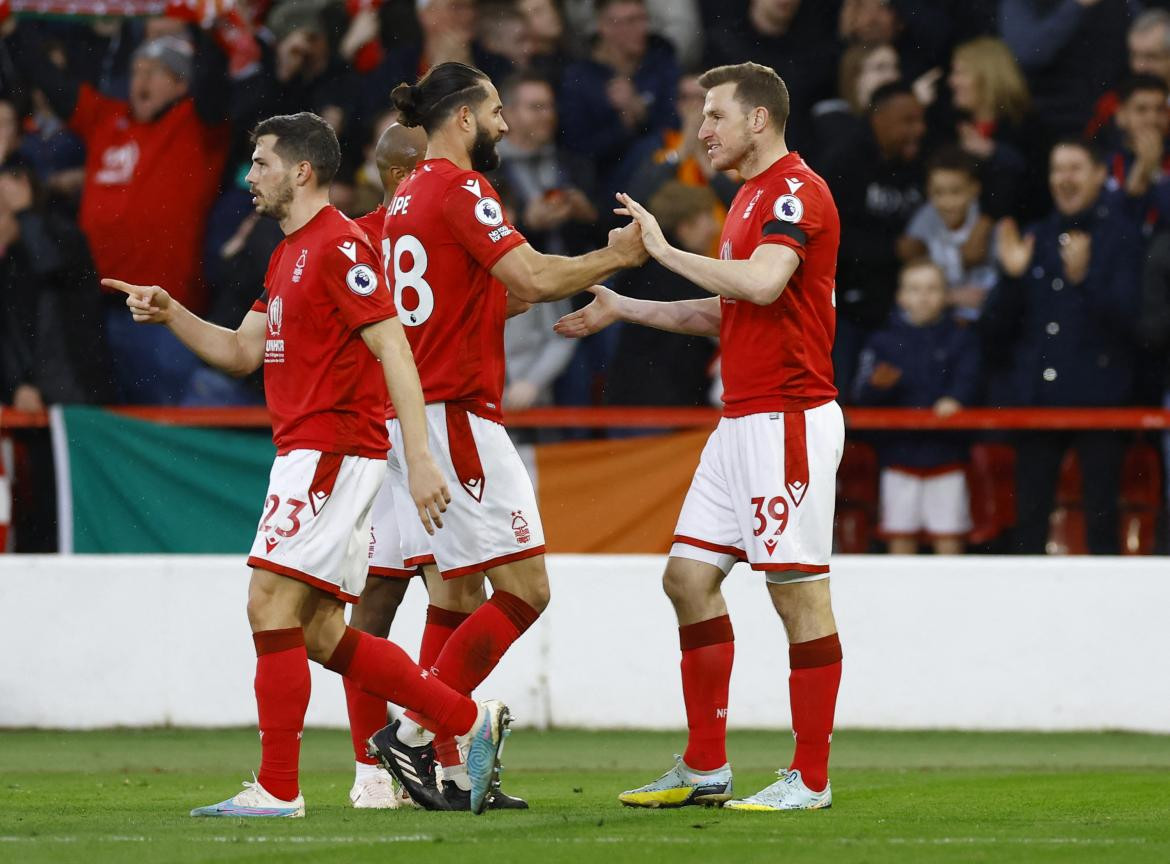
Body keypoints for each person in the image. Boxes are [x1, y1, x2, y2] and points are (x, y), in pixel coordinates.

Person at [103, 111, 511, 818]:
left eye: (260, 163)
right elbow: (239, 351)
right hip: (306, 451)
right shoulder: (287, 253)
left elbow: (395, 349)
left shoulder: (340, 248)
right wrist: (172, 313)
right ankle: (465, 721)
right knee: (324, 634)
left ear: (301, 170)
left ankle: (278, 788)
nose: (248, 176)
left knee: (267, 602)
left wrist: (418, 458)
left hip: (330, 450)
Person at [555, 61, 844, 812]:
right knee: (686, 579)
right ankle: (705, 765)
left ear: (759, 119)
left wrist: (661, 251)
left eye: (714, 114)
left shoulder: (792, 191)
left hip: (787, 415)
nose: (701, 129)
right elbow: (731, 312)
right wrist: (627, 306)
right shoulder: (748, 198)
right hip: (741, 417)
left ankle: (809, 779)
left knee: (797, 595)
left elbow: (762, 283)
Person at [370, 61, 647, 809]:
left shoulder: (404, 202)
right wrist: (614, 259)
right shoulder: (461, 187)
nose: (504, 123)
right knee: (526, 590)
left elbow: (480, 298)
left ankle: (453, 772)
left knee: (456, 593)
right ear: (462, 117)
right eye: (495, 111)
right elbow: (526, 275)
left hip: (418, 410)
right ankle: (415, 727)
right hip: (456, 415)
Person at [3, 24, 230, 403]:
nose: (139, 79)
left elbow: (213, 82)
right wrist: (13, 31)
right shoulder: (107, 118)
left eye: (154, 72)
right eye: (136, 70)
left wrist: (203, 26)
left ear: (179, 83)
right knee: (109, 426)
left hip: (161, 315)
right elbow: (52, 82)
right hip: (93, 311)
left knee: (170, 430)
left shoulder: (197, 126)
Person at [983, 139, 1142, 555]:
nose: (1063, 179)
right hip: (1038, 401)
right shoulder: (1037, 235)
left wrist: (1084, 279)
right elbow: (994, 330)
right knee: (1030, 516)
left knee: (1101, 517)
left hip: (1101, 402)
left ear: (1100, 175)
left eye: (1074, 168)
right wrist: (1012, 277)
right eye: (1057, 170)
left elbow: (1134, 325)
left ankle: (1108, 610)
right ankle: (1026, 610)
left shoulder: (1122, 236)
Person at [853, 259, 980, 554]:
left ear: (947, 294)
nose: (923, 296)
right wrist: (877, 387)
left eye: (932, 289)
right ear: (901, 296)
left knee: (949, 540)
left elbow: (971, 381)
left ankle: (952, 602)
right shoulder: (881, 342)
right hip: (898, 458)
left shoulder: (962, 338)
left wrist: (956, 399)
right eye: (915, 289)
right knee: (899, 537)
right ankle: (899, 602)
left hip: (947, 456)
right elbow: (860, 395)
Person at [901, 147, 997, 321]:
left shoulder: (986, 221)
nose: (947, 202)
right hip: (940, 313)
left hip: (983, 316)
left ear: (974, 189)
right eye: (938, 193)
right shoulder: (925, 219)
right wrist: (952, 297)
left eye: (956, 192)